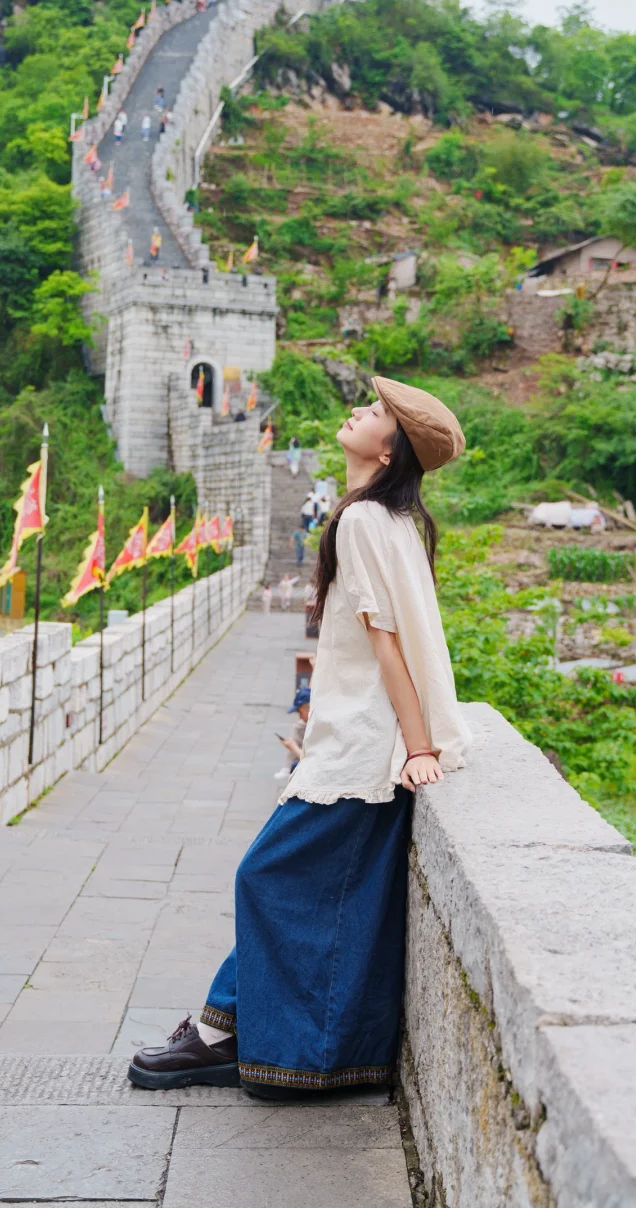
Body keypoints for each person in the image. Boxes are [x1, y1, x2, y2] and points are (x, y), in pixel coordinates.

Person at [128, 375, 470, 1096]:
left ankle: (240, 1041)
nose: (358, 411)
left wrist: (416, 748)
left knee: (267, 876)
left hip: (365, 750)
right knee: (312, 892)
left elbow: (388, 646)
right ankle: (227, 1033)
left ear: (389, 448)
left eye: (375, 412)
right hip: (351, 740)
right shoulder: (383, 519)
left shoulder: (364, 523)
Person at [273, 685, 310, 782]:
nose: (300, 716)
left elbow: (312, 761)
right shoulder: (300, 725)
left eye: (301, 712)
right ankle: (286, 769)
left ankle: (287, 769)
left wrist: (293, 747)